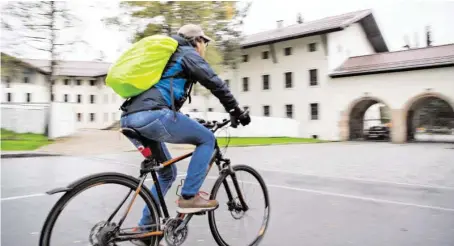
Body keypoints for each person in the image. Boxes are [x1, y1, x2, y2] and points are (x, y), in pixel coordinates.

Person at [119, 24, 250, 245]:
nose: (205, 47)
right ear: (197, 41)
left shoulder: (168, 59)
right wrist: (236, 110)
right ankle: (189, 197)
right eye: (205, 42)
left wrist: (191, 121)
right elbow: (215, 82)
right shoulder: (187, 53)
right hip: (152, 116)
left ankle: (145, 229)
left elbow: (164, 94)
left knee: (167, 173)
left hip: (131, 118)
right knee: (207, 139)